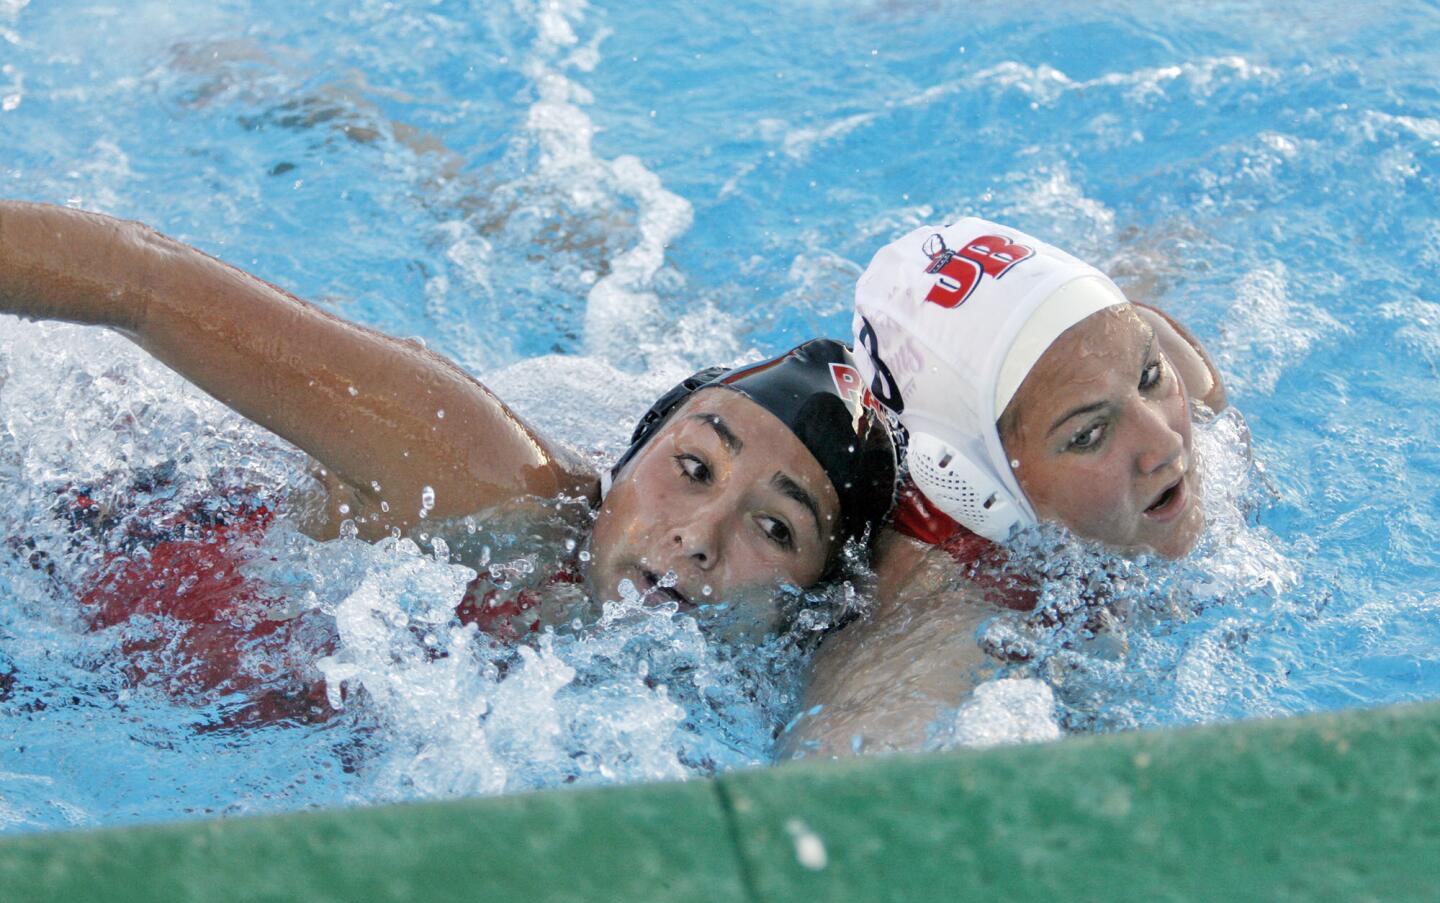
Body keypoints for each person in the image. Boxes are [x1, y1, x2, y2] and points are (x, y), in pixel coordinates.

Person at [0, 201, 896, 668]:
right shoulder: (484, 479)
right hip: (84, 556)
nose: (698, 539)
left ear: (813, 598)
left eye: (777, 530)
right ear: (625, 465)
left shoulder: (750, 673)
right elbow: (137, 279)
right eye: (693, 467)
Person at [782, 217, 1229, 758]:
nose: (1165, 445)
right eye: (1088, 434)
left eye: (1149, 377)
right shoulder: (936, 614)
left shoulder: (1177, 370)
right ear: (969, 480)